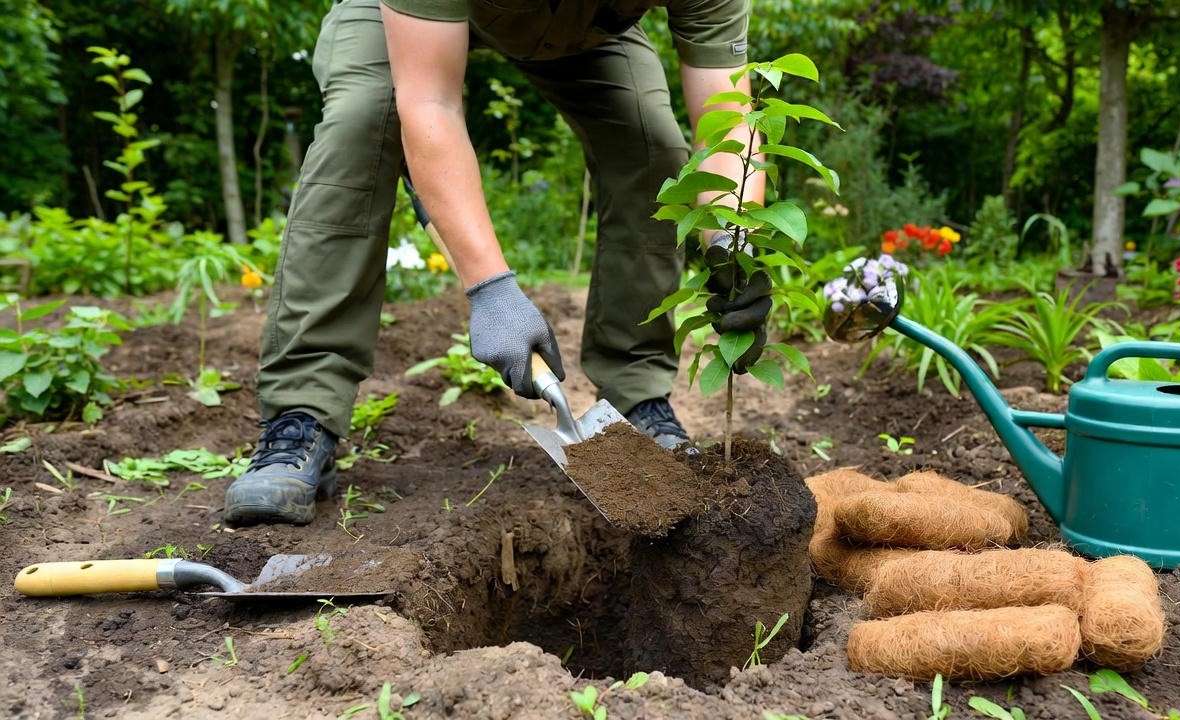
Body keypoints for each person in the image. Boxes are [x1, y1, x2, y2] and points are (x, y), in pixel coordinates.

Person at [223, 0, 770, 526]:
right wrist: (490, 288)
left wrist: (736, 242)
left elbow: (727, 118)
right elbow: (430, 99)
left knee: (653, 151)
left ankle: (637, 396)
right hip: (409, 21)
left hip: (585, 32)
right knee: (363, 122)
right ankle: (303, 412)